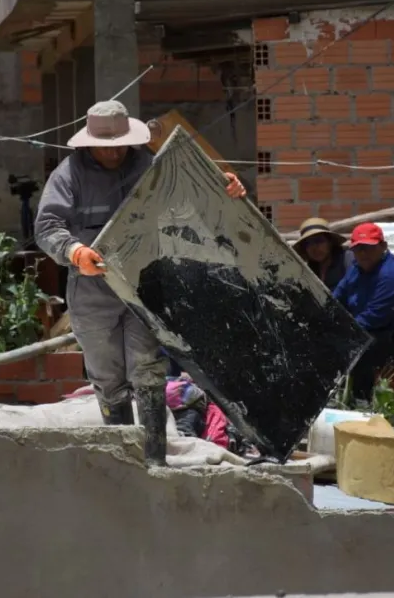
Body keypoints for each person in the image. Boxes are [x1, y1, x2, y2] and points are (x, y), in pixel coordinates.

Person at [34, 100, 247, 466]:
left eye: (120, 145)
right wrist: (74, 251)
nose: (114, 152)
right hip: (93, 290)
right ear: (89, 143)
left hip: (144, 282)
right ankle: (124, 463)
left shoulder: (148, 166)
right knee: (107, 376)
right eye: (105, 146)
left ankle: (155, 462)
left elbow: (193, 195)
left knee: (147, 369)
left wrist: (226, 186)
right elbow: (47, 226)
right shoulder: (69, 175)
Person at [332, 222, 394, 404]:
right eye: (359, 249)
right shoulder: (357, 269)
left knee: (360, 353)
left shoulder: (390, 276)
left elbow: (374, 317)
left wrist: (340, 331)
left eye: (368, 248)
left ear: (383, 246)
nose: (363, 253)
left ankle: (362, 401)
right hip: (371, 329)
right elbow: (338, 295)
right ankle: (352, 399)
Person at [294, 217, 355, 290]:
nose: (314, 248)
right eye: (308, 243)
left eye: (319, 241)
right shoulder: (309, 270)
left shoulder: (347, 259)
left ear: (330, 242)